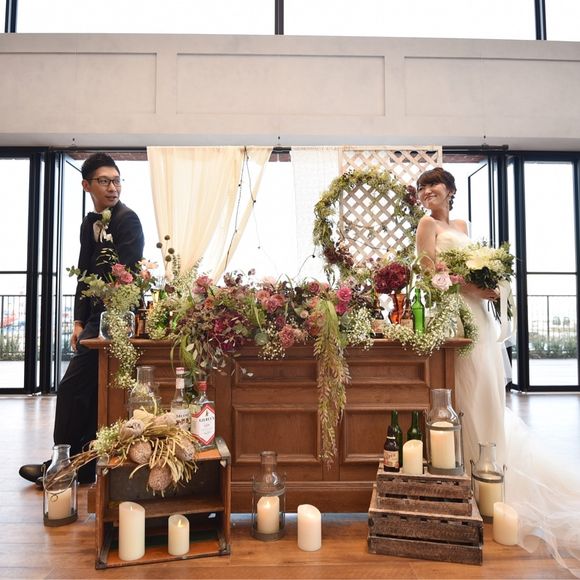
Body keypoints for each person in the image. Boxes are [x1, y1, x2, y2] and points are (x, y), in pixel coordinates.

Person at [415, 167, 580, 578]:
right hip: (454, 315)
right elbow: (429, 275)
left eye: (433, 185)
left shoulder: (462, 226)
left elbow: (478, 273)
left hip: (480, 316)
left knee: (488, 387)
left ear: (450, 190)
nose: (427, 191)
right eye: (422, 187)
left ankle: (491, 467)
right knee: (466, 389)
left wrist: (491, 288)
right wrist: (465, 287)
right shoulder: (425, 225)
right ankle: (466, 474)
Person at [19, 152, 144, 486]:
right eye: (104, 181)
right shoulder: (89, 223)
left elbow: (127, 278)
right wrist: (78, 322)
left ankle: (59, 466)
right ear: (87, 185)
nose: (113, 187)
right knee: (90, 392)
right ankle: (83, 467)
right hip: (93, 320)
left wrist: (100, 323)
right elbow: (84, 274)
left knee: (72, 387)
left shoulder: (128, 220)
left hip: (117, 317)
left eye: (116, 180)